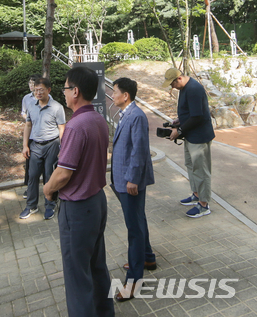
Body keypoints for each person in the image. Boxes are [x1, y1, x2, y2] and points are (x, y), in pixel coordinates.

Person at [43, 67, 114, 317]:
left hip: (78, 208)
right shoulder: (98, 120)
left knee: (76, 274)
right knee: (96, 264)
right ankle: (105, 311)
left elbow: (63, 173)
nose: (63, 93)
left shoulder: (76, 126)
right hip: (96, 202)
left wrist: (48, 189)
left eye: (64, 88)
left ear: (75, 91)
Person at [110, 77, 157, 302]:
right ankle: (147, 257)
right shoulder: (127, 113)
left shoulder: (136, 115)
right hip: (123, 180)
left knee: (134, 230)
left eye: (114, 91)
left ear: (125, 95)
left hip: (130, 181)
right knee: (138, 221)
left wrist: (132, 179)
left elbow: (139, 150)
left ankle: (134, 280)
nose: (112, 95)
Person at [163, 68, 216, 218]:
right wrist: (178, 122)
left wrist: (178, 131)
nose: (172, 87)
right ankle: (196, 195)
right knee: (191, 165)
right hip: (191, 135)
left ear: (179, 79)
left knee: (201, 170)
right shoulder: (186, 88)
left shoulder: (193, 89)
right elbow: (191, 113)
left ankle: (204, 205)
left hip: (199, 136)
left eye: (172, 84)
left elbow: (197, 117)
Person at [21, 77, 65, 220]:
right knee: (32, 176)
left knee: (49, 176)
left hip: (52, 145)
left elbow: (61, 128)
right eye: (36, 90)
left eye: (41, 90)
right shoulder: (31, 106)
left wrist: (63, 149)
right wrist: (25, 145)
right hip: (36, 145)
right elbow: (28, 125)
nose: (38, 93)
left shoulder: (57, 107)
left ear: (48, 90)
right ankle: (31, 206)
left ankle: (50, 204)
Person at [21, 74, 42, 198]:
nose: (31, 86)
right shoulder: (26, 98)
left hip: (44, 135)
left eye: (33, 84)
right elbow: (23, 113)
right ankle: (29, 188)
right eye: (30, 83)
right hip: (31, 134)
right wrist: (29, 119)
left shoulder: (47, 97)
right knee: (30, 164)